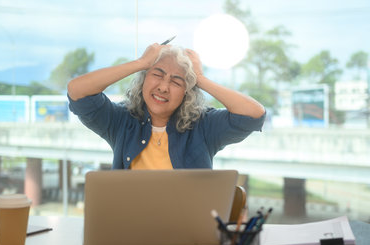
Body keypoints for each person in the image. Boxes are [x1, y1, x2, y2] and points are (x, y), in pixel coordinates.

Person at [67, 43, 265, 169]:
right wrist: (140, 62)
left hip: (187, 231)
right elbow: (77, 91)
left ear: (187, 91)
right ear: (143, 79)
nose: (163, 87)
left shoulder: (203, 126)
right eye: (157, 74)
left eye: (177, 82)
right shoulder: (122, 121)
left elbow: (254, 115)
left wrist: (201, 79)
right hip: (133, 229)